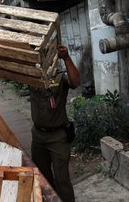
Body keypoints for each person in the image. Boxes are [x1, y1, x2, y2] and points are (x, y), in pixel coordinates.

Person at [29, 45, 80, 202]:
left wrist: (66, 58)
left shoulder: (60, 76)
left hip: (58, 137)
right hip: (38, 136)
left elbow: (76, 82)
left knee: (62, 179)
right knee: (43, 178)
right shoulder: (31, 76)